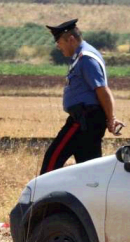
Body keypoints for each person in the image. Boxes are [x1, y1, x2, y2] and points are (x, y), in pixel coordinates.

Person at [41, 19, 125, 174]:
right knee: (89, 171)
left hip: (83, 119)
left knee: (52, 160)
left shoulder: (86, 58)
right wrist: (109, 117)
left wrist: (111, 118)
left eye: (59, 42)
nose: (58, 46)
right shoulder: (81, 56)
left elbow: (102, 89)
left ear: (71, 39)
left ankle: (41, 195)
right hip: (87, 120)